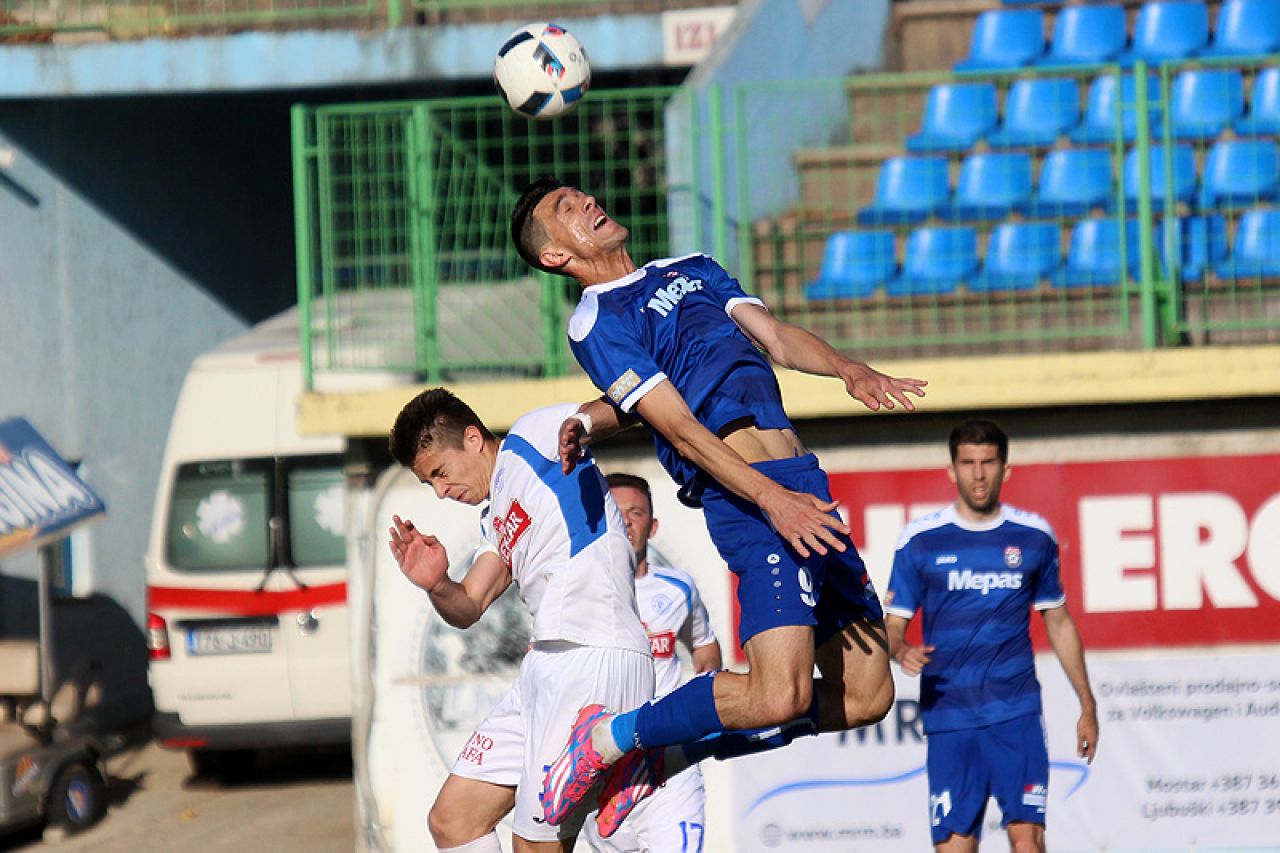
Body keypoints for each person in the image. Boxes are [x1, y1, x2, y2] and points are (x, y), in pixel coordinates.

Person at [508, 177, 929, 836]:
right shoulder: (596, 320)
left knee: (869, 693)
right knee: (779, 692)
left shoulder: (692, 266)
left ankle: (672, 748)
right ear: (555, 256)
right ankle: (612, 737)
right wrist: (770, 498)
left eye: (583, 194)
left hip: (801, 481)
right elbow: (677, 427)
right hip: (752, 495)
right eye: (565, 208)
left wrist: (848, 367)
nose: (588, 201)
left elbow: (779, 340)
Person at [386, 388, 655, 853]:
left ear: (473, 439)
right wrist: (436, 584)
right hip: (544, 668)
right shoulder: (495, 518)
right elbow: (468, 605)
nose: (442, 492)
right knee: (453, 820)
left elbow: (635, 402)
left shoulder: (532, 437)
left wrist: (588, 424)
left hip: (592, 654)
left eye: (440, 473)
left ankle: (640, 753)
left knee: (532, 846)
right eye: (430, 484)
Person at [884, 418, 1098, 852]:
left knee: (1028, 844)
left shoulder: (1034, 537)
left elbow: (1058, 620)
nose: (978, 474)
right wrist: (900, 649)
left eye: (987, 462)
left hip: (1015, 716)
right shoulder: (920, 541)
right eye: (967, 463)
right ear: (952, 470)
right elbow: (892, 626)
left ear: (1005, 468)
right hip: (950, 720)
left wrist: (1086, 703)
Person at [582, 472, 722, 853]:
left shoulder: (678, 588)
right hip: (607, 768)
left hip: (670, 762)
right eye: (615, 512)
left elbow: (705, 648)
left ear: (653, 525)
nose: (625, 521)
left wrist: (703, 701)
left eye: (636, 512)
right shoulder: (577, 592)